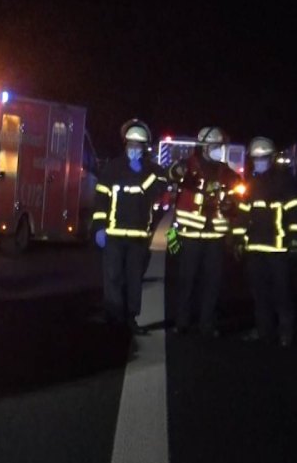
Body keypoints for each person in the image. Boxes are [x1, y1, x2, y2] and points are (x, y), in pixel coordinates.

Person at [92, 119, 166, 334]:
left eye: (138, 145)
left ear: (145, 147)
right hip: (113, 235)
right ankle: (114, 318)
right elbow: (101, 200)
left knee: (134, 279)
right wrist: (98, 227)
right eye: (131, 144)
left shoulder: (154, 171)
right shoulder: (111, 169)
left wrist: (142, 171)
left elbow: (159, 190)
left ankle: (131, 318)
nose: (134, 149)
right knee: (113, 277)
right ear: (125, 144)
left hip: (139, 236)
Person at [169, 126, 242, 336]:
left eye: (219, 146)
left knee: (212, 282)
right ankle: (182, 323)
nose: (217, 149)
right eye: (213, 146)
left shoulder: (226, 172)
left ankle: (207, 324)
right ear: (203, 146)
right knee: (186, 281)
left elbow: (238, 196)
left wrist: (232, 206)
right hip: (190, 235)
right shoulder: (187, 167)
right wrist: (178, 172)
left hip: (215, 238)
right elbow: (171, 174)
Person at [233, 137, 297, 347]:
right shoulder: (250, 185)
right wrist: (238, 239)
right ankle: (264, 331)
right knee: (260, 294)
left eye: (262, 159)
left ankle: (286, 334)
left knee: (282, 293)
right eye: (255, 159)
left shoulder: (285, 183)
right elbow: (243, 216)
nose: (258, 163)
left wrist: (295, 242)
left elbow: (295, 216)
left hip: (279, 249)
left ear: (271, 158)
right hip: (255, 249)